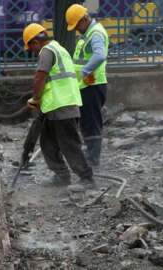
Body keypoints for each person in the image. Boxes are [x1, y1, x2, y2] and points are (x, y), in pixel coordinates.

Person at [23, 23, 96, 191]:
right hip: (56, 106)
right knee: (47, 143)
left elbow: (40, 77)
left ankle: (87, 178)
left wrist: (35, 98)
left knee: (69, 143)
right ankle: (61, 175)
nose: (32, 51)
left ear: (35, 42)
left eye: (31, 47)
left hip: (62, 105)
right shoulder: (59, 49)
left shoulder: (46, 51)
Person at [66, 4, 109, 169]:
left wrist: (85, 71)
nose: (76, 29)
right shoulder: (88, 33)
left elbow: (99, 55)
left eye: (77, 25)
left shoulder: (95, 33)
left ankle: (93, 159)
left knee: (92, 123)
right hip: (86, 85)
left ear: (84, 19)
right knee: (87, 122)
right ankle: (91, 155)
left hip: (93, 85)